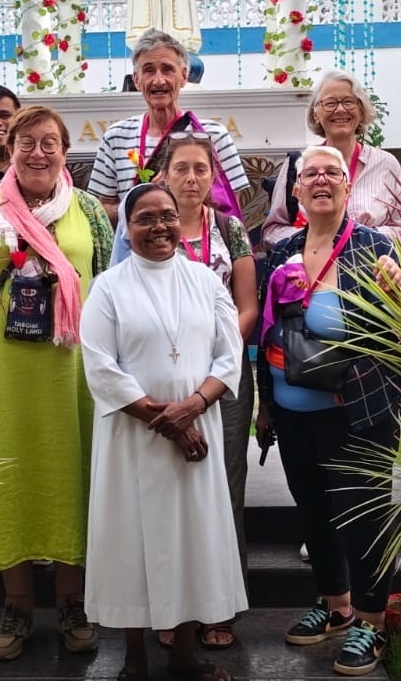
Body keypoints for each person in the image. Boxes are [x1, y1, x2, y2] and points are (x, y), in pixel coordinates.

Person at [0, 105, 112, 662]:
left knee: (71, 476)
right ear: (9, 147)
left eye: (50, 142)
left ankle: (72, 603)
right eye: (28, 142)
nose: (38, 152)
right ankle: (17, 605)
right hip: (3, 373)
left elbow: (111, 283)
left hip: (72, 374)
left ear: (65, 150)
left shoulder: (89, 211)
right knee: (8, 479)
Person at [81, 183, 245, 681]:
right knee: (129, 536)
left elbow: (229, 353)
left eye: (168, 216)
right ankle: (133, 657)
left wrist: (194, 406)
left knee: (194, 536)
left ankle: (186, 653)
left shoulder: (206, 281)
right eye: (145, 218)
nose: (159, 227)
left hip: (199, 427)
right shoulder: (108, 286)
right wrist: (171, 424)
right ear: (126, 229)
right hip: (135, 436)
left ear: (182, 220)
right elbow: (100, 365)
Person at [256, 145, 400, 677]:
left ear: (347, 186)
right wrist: (266, 405)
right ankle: (335, 605)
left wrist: (400, 291)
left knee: (361, 516)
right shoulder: (281, 251)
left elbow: (400, 333)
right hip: (292, 412)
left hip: (355, 410)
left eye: (331, 173)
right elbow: (266, 331)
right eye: (309, 173)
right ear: (295, 190)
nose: (320, 179)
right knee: (313, 510)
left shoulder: (376, 248)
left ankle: (372, 620)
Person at [115, 135, 258, 651]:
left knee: (220, 490)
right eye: (182, 167)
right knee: (153, 498)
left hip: (216, 385)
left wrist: (201, 390)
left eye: (202, 168)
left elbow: (244, 310)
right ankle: (163, 608)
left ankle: (215, 605)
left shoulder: (227, 234)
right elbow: (110, 334)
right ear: (163, 175)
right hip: (150, 402)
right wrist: (167, 409)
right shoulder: (125, 254)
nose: (193, 176)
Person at [88, 28, 249, 225]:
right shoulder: (116, 137)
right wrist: (140, 201)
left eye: (167, 69)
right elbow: (98, 211)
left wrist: (180, 194)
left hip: (200, 251)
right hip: (137, 249)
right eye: (148, 70)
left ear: (184, 76)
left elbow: (231, 212)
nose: (158, 80)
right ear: (137, 80)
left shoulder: (214, 136)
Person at [263, 69, 401, 247]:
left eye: (349, 102)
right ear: (316, 114)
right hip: (310, 270)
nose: (340, 109)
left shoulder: (386, 164)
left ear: (361, 111)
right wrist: (314, 238)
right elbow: (271, 231)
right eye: (330, 103)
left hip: (371, 269)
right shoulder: (299, 164)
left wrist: (361, 237)